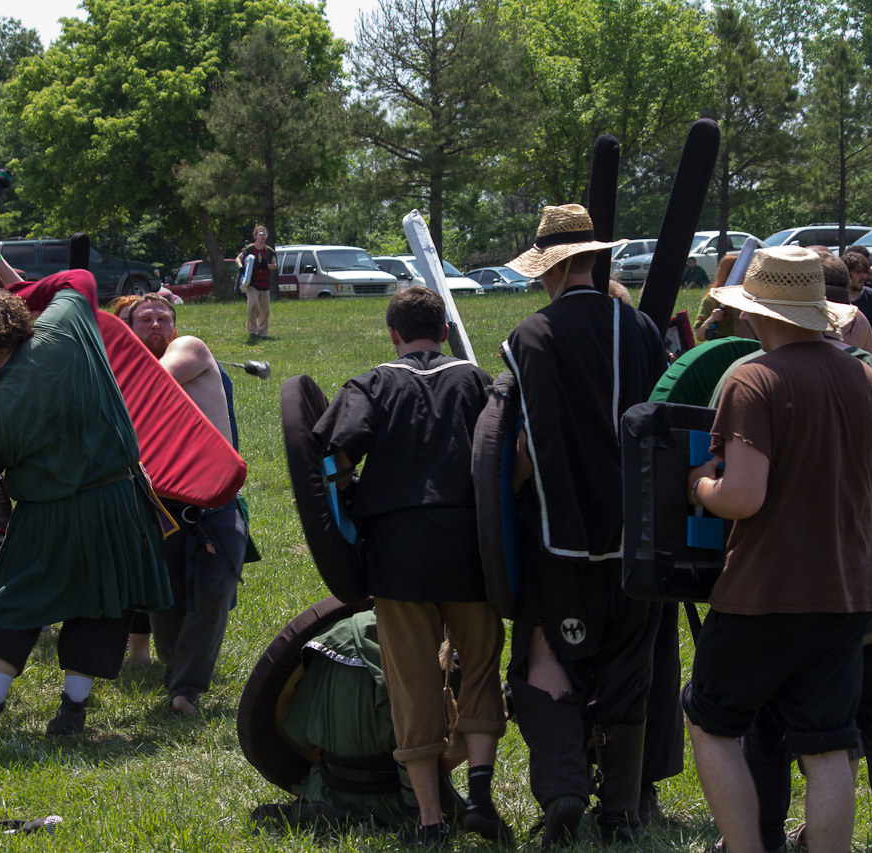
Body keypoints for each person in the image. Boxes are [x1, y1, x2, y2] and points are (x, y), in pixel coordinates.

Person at [684, 246, 872, 853]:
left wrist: (698, 484)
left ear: (757, 313)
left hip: (764, 591)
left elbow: (742, 496)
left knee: (710, 722)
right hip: (848, 591)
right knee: (829, 746)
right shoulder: (867, 379)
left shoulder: (753, 379)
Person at [312, 286, 509, 847]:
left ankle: (429, 820)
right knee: (480, 669)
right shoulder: (476, 380)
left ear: (393, 334)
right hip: (470, 549)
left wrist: (348, 494)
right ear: (444, 331)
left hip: (398, 554)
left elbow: (336, 450)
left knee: (412, 683)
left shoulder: (371, 383)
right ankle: (481, 797)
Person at [0, 278, 171, 742]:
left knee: (13, 603)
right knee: (100, 603)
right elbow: (77, 280)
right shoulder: (65, 325)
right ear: (24, 323)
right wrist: (17, 292)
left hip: (44, 516)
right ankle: (71, 715)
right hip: (116, 504)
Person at [500, 204, 669, 846]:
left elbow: (523, 445)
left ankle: (565, 788)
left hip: (560, 536)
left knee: (546, 655)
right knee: (628, 664)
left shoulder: (530, 337)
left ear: (549, 268)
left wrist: (508, 489)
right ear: (595, 259)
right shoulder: (641, 328)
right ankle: (621, 811)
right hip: (639, 535)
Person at [114, 293, 246, 715]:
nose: (155, 324)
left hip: (216, 500)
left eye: (163, 318)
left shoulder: (189, 348)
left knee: (214, 592)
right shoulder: (122, 378)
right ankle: (178, 676)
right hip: (161, 505)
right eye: (144, 319)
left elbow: (154, 381)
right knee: (166, 602)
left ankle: (186, 689)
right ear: (129, 328)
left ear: (175, 325)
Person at [236, 225, 278, 339]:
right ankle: (252, 331)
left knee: (265, 310)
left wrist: (266, 265)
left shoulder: (269, 251)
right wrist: (241, 268)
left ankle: (262, 333)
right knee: (253, 305)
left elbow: (275, 265)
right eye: (260, 234)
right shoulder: (249, 248)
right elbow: (238, 259)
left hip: (264, 283)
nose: (263, 236)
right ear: (255, 236)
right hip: (252, 283)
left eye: (265, 234)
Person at [694, 254, 747, 342]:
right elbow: (699, 336)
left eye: (744, 274)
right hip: (721, 346)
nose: (744, 278)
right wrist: (711, 319)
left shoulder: (749, 299)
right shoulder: (711, 300)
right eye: (740, 274)